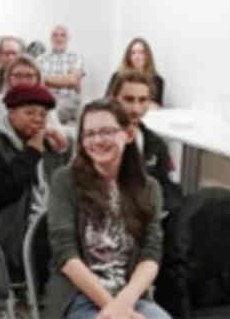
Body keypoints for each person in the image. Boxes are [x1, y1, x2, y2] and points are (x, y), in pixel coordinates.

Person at [44, 98, 169, 319]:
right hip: (78, 297)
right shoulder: (65, 180)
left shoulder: (149, 187)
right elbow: (66, 255)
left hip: (130, 297)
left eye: (107, 132)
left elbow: (151, 255)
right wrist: (113, 309)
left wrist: (123, 304)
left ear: (129, 134)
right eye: (89, 134)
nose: (97, 140)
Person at [0, 84, 57, 280]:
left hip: (35, 235)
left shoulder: (42, 145)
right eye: (30, 113)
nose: (38, 120)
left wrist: (56, 152)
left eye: (42, 115)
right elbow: (1, 195)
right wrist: (31, 154)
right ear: (11, 113)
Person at [110, 70, 182, 213]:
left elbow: (168, 186)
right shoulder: (97, 139)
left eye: (142, 100)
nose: (136, 108)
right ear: (115, 99)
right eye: (129, 99)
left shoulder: (156, 144)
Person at [37, 25, 85, 126]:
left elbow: (72, 81)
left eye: (62, 35)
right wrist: (64, 81)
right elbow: (36, 81)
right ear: (51, 39)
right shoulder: (41, 59)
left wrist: (45, 79)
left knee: (52, 113)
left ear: (68, 39)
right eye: (55, 35)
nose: (59, 38)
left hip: (67, 99)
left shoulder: (76, 57)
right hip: (44, 98)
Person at [105, 38, 164, 108]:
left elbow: (156, 106)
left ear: (148, 56)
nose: (137, 57)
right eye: (133, 53)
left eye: (141, 53)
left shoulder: (157, 80)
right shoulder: (117, 76)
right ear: (128, 57)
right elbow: (107, 101)